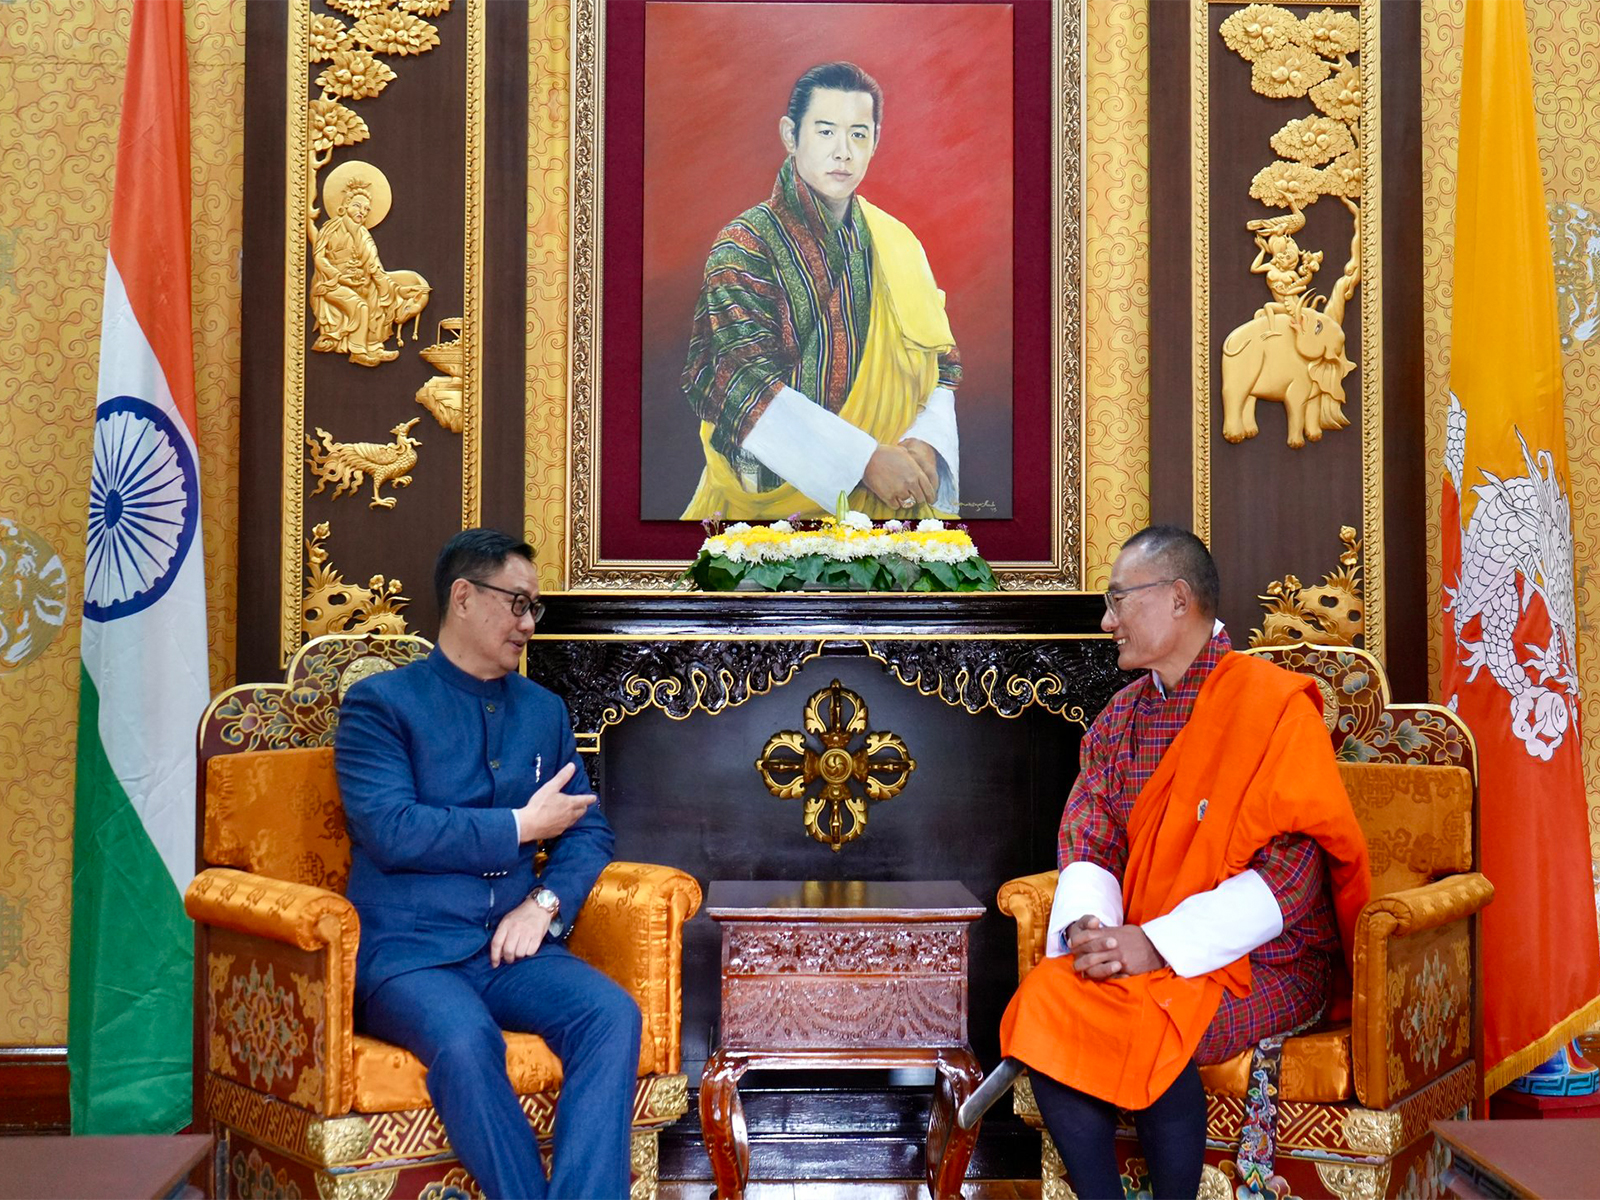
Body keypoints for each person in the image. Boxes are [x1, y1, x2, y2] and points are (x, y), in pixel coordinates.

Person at [995, 526, 1371, 1199]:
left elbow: (1291, 876)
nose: (1107, 621)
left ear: (1177, 599)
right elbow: (1090, 837)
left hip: (1264, 961)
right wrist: (1090, 931)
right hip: (1139, 947)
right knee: (1045, 1002)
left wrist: (1158, 945)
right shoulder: (1117, 721)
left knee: (1151, 1020)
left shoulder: (1272, 706)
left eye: (1118, 601)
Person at [334, 529, 640, 1199]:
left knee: (611, 1015)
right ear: (464, 597)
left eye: (536, 609)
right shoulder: (379, 706)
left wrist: (546, 903)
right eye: (518, 604)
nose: (528, 624)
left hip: (512, 946)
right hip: (410, 956)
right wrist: (519, 828)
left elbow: (587, 833)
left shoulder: (543, 710)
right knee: (469, 1041)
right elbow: (392, 829)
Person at [680, 61, 961, 521]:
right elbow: (739, 382)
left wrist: (926, 445)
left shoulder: (897, 243)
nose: (843, 153)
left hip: (894, 499)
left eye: (858, 134)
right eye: (826, 132)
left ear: (876, 140)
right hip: (765, 517)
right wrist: (863, 460)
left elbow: (942, 365)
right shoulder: (745, 243)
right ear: (791, 135)